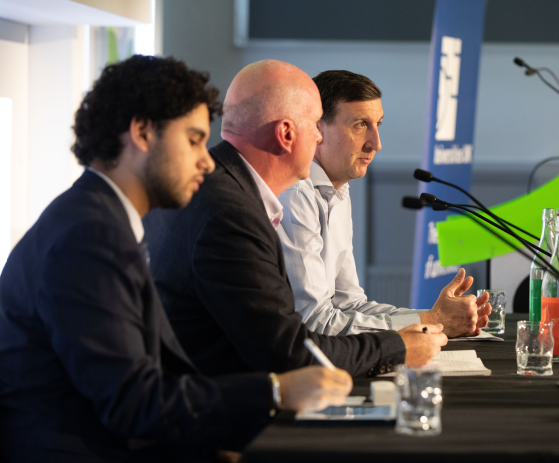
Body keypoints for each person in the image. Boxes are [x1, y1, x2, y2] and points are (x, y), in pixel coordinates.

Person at [0, 55, 352, 463]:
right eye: (193, 139)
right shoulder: (90, 235)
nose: (206, 160)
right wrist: (276, 390)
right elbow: (134, 402)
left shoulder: (98, 219)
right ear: (143, 132)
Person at [143, 60, 447, 380]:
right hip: (209, 408)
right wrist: (396, 347)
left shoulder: (223, 189)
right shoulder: (231, 216)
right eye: (316, 124)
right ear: (286, 134)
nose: (319, 138)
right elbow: (287, 351)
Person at [276, 70, 491, 336]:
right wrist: (433, 321)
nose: (376, 144)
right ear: (317, 129)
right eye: (360, 125)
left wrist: (432, 318)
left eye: (378, 124)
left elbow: (350, 304)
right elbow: (315, 321)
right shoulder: (295, 194)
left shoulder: (339, 191)